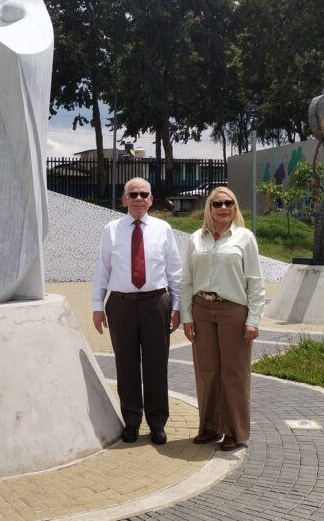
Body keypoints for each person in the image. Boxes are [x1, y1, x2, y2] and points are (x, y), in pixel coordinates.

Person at [93, 177, 182, 445]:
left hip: (156, 303)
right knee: (126, 364)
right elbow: (102, 270)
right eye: (133, 194)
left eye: (144, 194)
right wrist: (97, 306)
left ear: (151, 199)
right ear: (124, 200)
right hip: (121, 305)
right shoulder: (111, 230)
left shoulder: (163, 229)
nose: (139, 199)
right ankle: (131, 421)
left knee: (156, 364)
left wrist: (177, 305)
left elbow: (175, 271)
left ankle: (157, 423)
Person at [179, 186, 264, 451]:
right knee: (207, 372)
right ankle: (209, 427)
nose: (223, 208)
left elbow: (255, 282)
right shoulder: (196, 238)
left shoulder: (245, 238)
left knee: (234, 373)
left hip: (233, 310)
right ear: (209, 208)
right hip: (201, 309)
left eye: (229, 203)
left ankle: (234, 432)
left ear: (235, 207)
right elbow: (186, 280)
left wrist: (253, 319)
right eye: (217, 203)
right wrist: (187, 317)